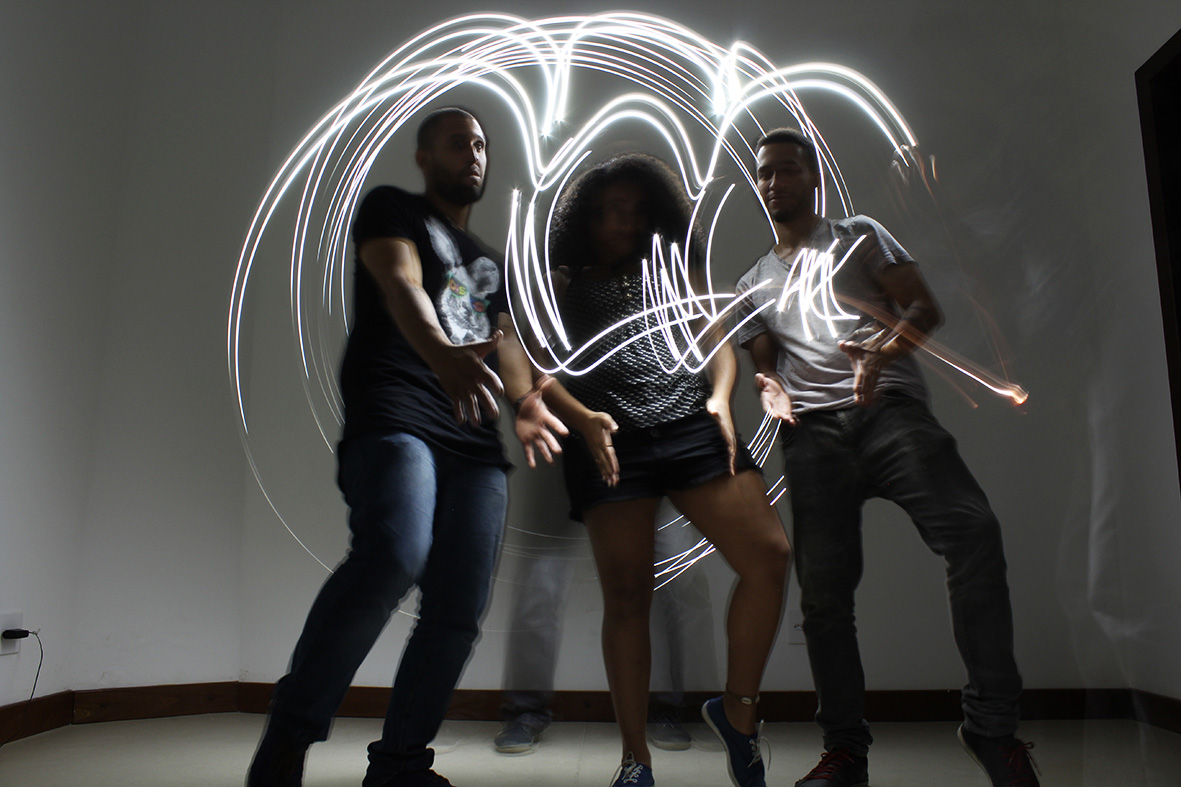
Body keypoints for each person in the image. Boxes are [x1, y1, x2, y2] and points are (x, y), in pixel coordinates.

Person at [246, 107, 564, 787]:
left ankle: (400, 765)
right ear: (424, 157)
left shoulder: (488, 261)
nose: (472, 153)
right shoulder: (392, 208)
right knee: (393, 554)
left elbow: (505, 344)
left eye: (480, 144)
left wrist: (529, 403)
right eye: (457, 143)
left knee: (457, 609)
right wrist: (442, 355)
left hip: (473, 443)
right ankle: (289, 735)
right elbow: (400, 283)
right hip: (396, 413)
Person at [733, 128, 1038, 787]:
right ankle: (845, 751)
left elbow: (924, 307)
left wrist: (882, 351)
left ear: (813, 178)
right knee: (823, 600)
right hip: (813, 435)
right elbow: (763, 360)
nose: (774, 182)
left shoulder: (858, 235)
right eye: (765, 173)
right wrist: (769, 385)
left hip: (890, 413)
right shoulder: (753, 281)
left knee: (974, 532)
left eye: (787, 169)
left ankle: (991, 727)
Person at [534, 153, 793, 787]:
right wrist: (583, 419)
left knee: (770, 557)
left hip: (690, 426)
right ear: (587, 219)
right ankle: (635, 761)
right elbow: (541, 370)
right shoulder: (562, 280)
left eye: (634, 210)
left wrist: (719, 398)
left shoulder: (675, 268)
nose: (623, 222)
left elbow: (719, 345)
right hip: (610, 441)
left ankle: (737, 712)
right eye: (609, 211)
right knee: (627, 598)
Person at [493, 501, 719, 755]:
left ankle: (667, 708)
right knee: (540, 582)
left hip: (652, 479)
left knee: (677, 578)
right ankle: (524, 710)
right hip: (568, 477)